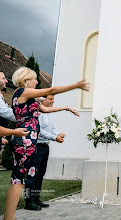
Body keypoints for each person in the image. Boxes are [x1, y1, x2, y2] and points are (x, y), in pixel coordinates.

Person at [3, 67, 89, 220]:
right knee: (19, 181)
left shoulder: (27, 97)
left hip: (28, 140)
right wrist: (75, 85)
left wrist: (66, 108)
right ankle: (9, 218)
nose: (37, 82)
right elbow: (52, 89)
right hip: (24, 140)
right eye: (35, 79)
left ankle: (10, 217)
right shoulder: (22, 92)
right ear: (26, 80)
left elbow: (45, 109)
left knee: (19, 180)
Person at [25, 94, 74, 209]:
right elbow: (39, 131)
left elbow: (51, 129)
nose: (53, 101)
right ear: (43, 100)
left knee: (40, 174)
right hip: (35, 146)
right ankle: (28, 201)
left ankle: (36, 199)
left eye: (53, 99)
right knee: (32, 174)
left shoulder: (50, 113)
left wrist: (57, 134)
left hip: (45, 147)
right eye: (50, 99)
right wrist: (54, 138)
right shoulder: (37, 112)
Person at [0, 71, 16, 150]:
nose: (6, 81)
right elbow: (6, 112)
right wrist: (25, 116)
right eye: (3, 78)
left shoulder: (1, 95)